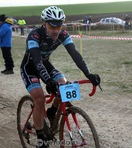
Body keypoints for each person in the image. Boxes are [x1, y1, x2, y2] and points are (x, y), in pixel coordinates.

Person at [20, 6, 100, 148]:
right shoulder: (34, 35)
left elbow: (74, 53)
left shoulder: (62, 34)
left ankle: (52, 111)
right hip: (30, 67)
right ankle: (41, 139)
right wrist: (48, 80)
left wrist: (88, 74)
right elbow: (37, 61)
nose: (56, 30)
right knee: (39, 98)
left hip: (46, 64)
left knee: (63, 84)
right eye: (52, 26)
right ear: (44, 24)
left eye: (59, 26)